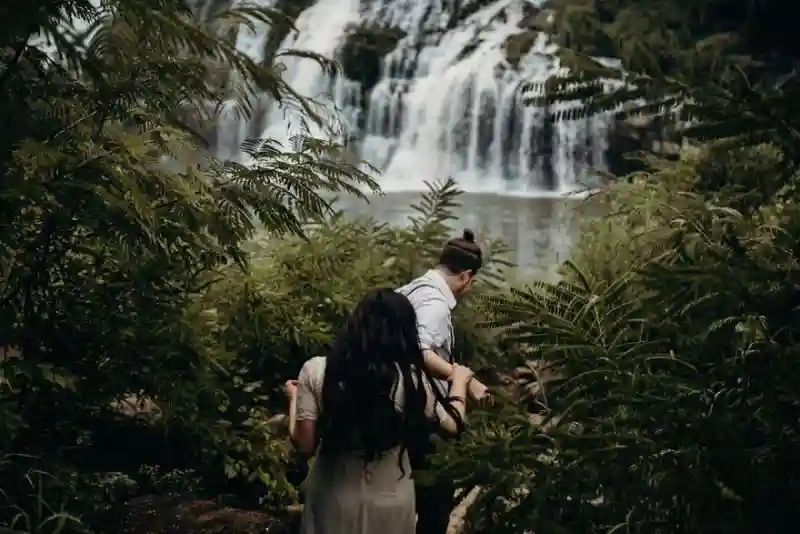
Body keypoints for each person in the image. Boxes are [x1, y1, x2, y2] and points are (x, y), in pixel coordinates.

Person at [283, 288, 475, 534]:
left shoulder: (317, 371)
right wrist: (459, 380)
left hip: (332, 497)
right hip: (391, 499)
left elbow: (304, 444)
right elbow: (453, 425)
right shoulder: (409, 380)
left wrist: (294, 399)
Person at [395, 228, 486, 534]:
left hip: (397, 404)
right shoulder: (435, 304)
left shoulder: (411, 289)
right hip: (423, 416)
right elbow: (418, 352)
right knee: (435, 504)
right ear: (467, 277)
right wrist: (459, 378)